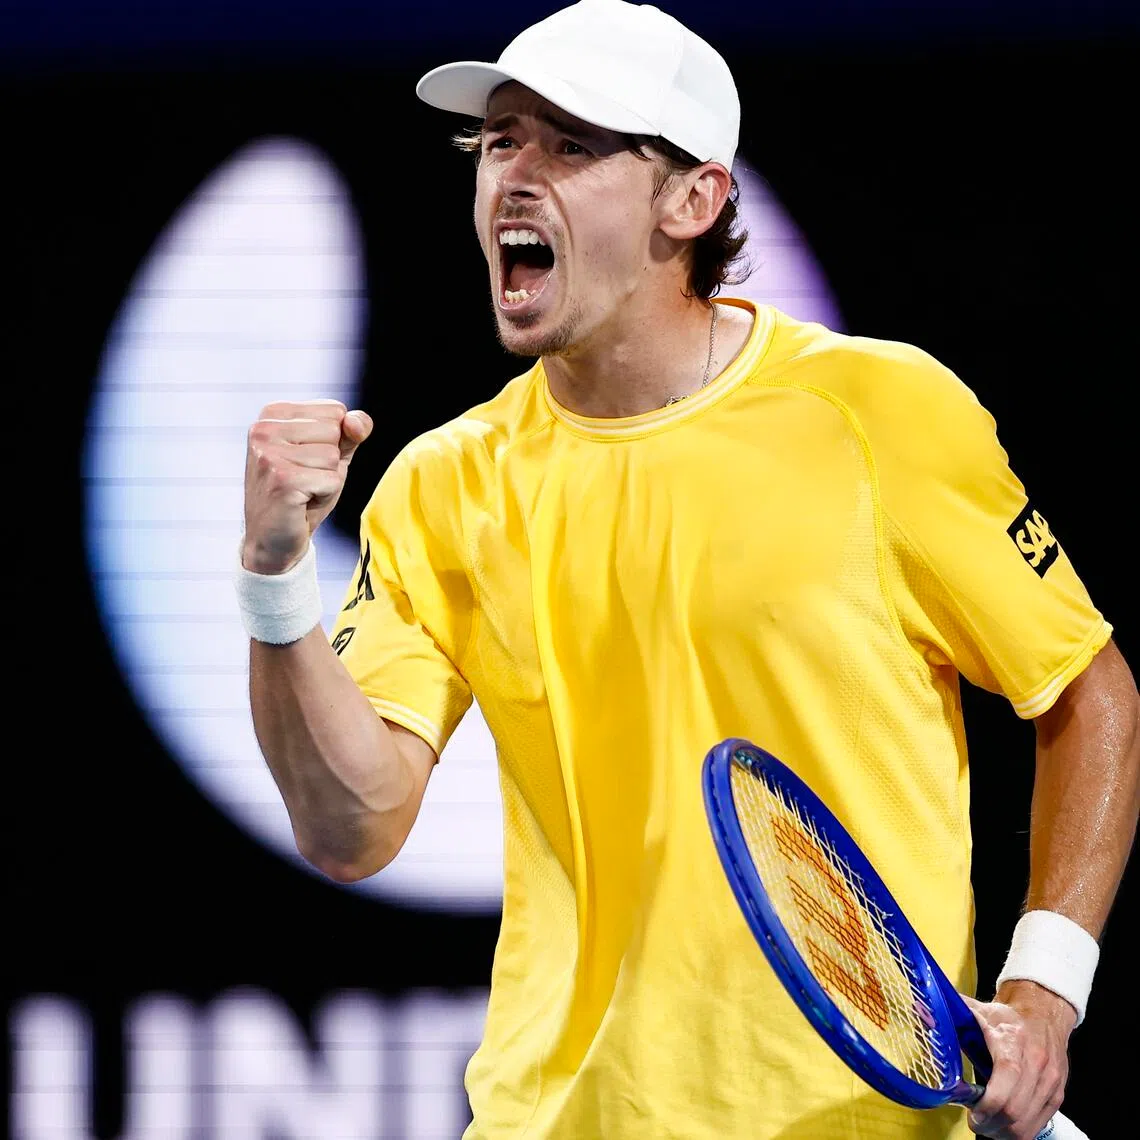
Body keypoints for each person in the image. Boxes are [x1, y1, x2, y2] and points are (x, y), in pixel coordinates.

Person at [234, 1, 1140, 1137]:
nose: (517, 176)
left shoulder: (879, 414)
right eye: (501, 140)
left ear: (694, 199)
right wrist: (276, 584)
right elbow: (350, 827)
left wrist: (1043, 998)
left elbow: (1086, 693)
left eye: (571, 146)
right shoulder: (440, 484)